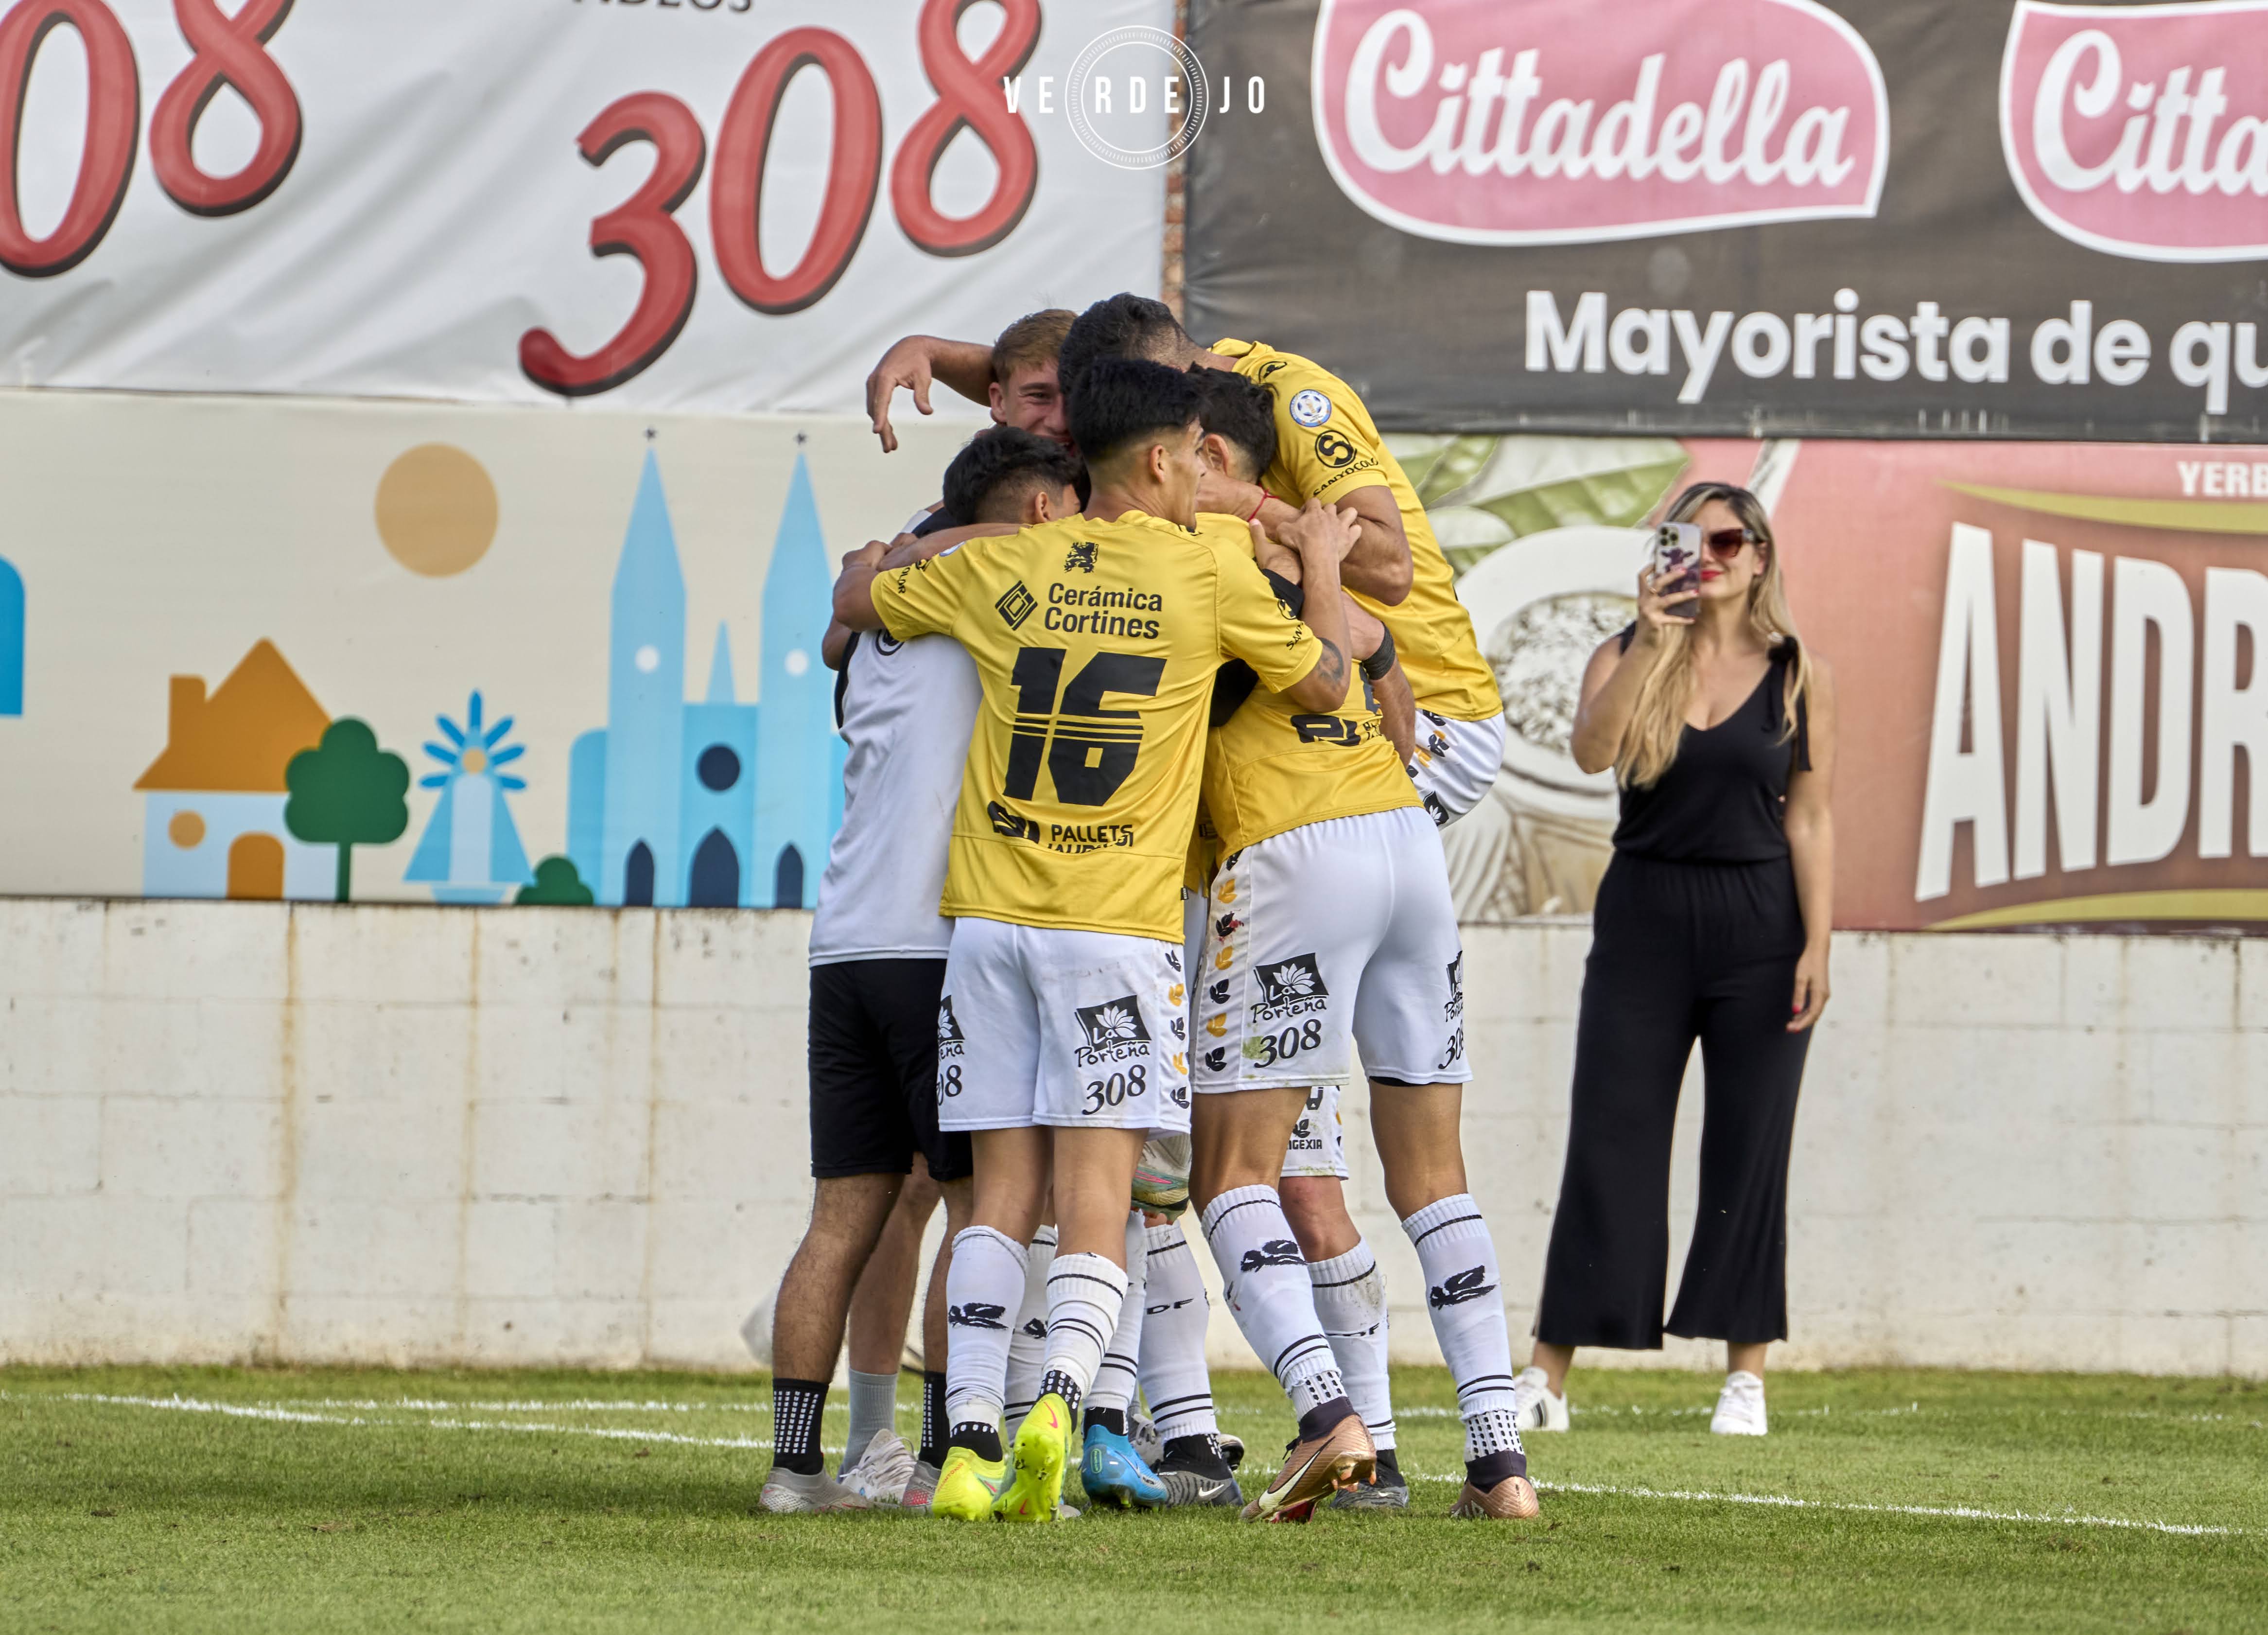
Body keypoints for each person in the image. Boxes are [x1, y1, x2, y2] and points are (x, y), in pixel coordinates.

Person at [831, 357, 1360, 1525]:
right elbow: (1328, 682)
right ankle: (1058, 1405)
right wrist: (1314, 562)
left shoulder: (1004, 560)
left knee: (998, 1194)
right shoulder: (1204, 572)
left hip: (986, 929)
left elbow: (862, 597)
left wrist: (916, 550)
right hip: (1115, 935)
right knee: (1098, 1199)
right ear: (1165, 458)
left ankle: (965, 1440)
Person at [1178, 368, 1539, 1524]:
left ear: (1207, 457)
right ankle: (1499, 1462)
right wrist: (1368, 650)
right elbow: (1375, 642)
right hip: (1404, 846)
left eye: (1178, 458)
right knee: (1433, 1169)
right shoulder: (1290, 550)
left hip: (1295, 855)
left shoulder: (1192, 552)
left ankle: (1330, 1416)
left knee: (1228, 1170)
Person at [762, 316, 1080, 1516]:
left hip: (844, 943)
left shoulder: (881, 600)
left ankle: (799, 1469)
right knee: (979, 1206)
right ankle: (944, 1458)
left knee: (841, 1211)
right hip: (944, 945)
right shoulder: (990, 586)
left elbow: (846, 611)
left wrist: (877, 567)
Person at [1515, 482, 1837, 1439]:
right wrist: (1652, 636)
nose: (1711, 555)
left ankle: (1744, 1377)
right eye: (1687, 539)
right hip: (1644, 916)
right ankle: (1547, 1373)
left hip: (1761, 921)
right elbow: (1588, 752)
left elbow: (1811, 815)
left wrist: (1818, 941)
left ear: (1760, 556)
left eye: (1729, 540)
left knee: (1748, 1145)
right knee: (1607, 1136)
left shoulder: (1797, 672)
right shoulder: (1624, 652)